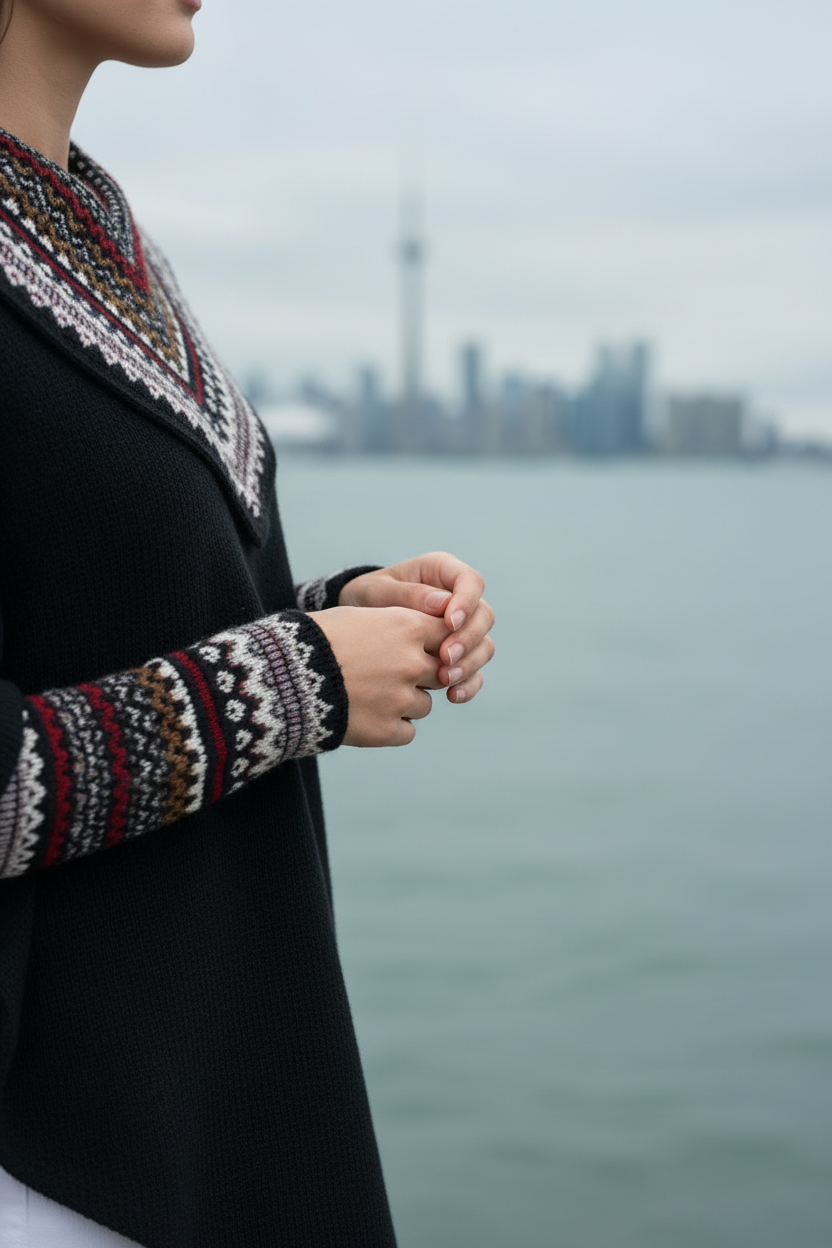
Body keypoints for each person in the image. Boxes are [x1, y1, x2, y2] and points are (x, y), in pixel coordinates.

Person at [0, 0, 495, 1244]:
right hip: (57, 1150)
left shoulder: (102, 232)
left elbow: (90, 612)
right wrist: (295, 682)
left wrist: (334, 612)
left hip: (214, 1101)